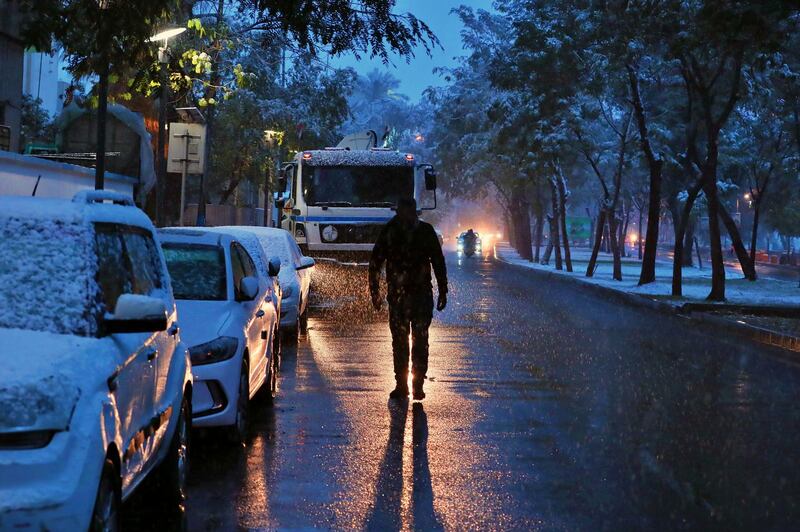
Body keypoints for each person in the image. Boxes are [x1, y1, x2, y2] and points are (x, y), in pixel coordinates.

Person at [369, 197, 448, 400]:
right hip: (399, 297)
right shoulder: (390, 231)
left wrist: (443, 290)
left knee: (419, 340)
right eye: (404, 212)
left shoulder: (424, 231)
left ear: (414, 212)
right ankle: (402, 385)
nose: (407, 216)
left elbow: (438, 261)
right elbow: (376, 261)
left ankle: (417, 384)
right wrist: (374, 291)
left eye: (409, 212)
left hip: (420, 296)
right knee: (401, 342)